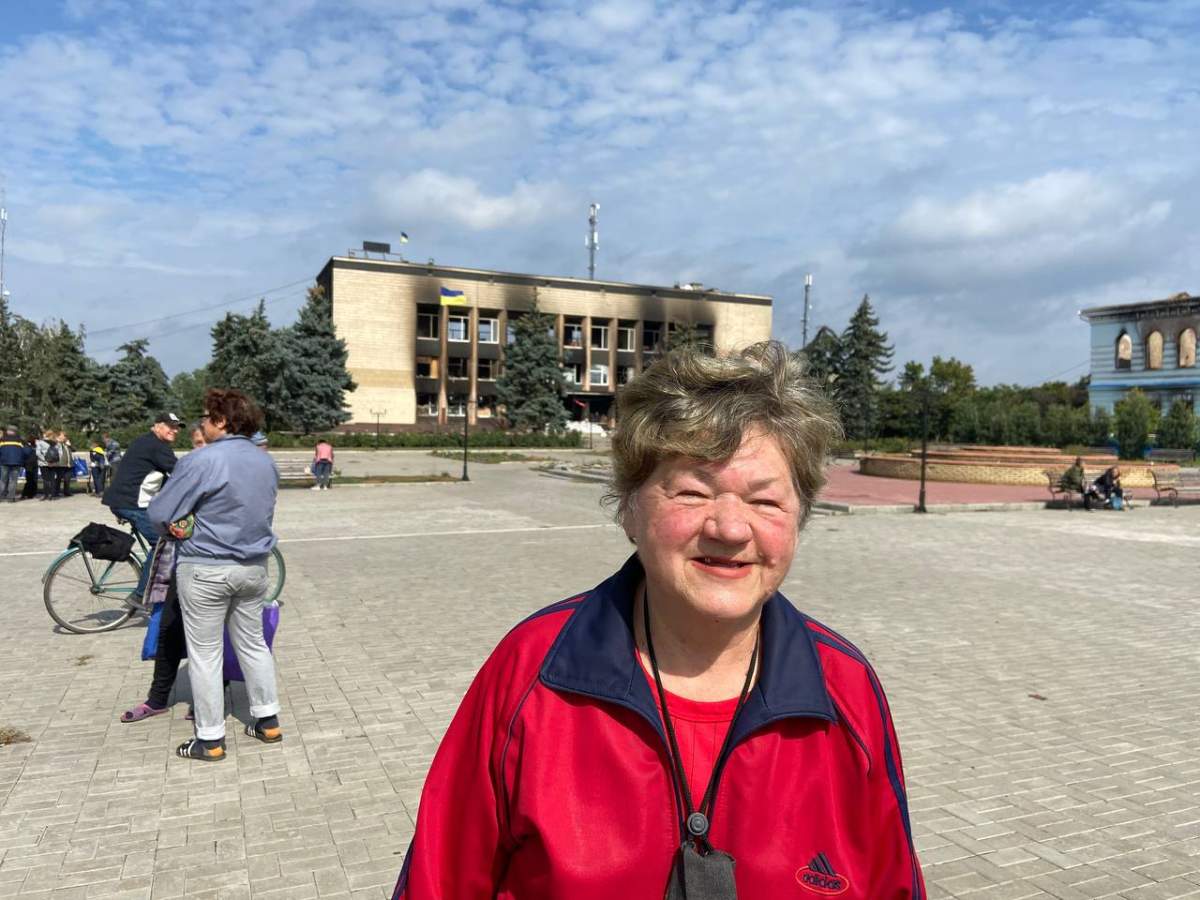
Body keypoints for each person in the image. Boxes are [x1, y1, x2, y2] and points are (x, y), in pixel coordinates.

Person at [390, 342, 924, 899]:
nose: (730, 528)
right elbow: (438, 882)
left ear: (799, 520)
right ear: (629, 507)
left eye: (766, 502)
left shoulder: (846, 690)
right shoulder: (531, 674)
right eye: (692, 492)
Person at [148, 389, 282, 762]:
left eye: (206, 417)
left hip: (206, 567)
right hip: (253, 566)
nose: (202, 423)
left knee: (205, 653)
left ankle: (210, 739)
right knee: (253, 644)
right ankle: (267, 720)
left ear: (222, 421)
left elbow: (160, 512)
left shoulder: (202, 460)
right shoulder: (265, 463)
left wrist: (176, 530)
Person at [120, 423, 209, 725]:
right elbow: (166, 514)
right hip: (177, 564)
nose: (199, 449)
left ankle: (206, 700)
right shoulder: (186, 474)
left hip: (209, 566)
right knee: (168, 630)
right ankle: (157, 699)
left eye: (204, 443)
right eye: (196, 443)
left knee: (210, 637)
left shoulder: (219, 476)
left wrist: (177, 520)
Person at [102, 413, 182, 601]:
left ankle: (161, 585)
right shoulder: (156, 446)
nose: (175, 430)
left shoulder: (148, 442)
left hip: (125, 501)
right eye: (170, 426)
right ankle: (140, 594)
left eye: (177, 427)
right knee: (163, 543)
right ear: (157, 425)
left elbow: (164, 478)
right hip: (131, 504)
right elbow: (181, 472)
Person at [0, 426, 24, 502]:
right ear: (15, 432)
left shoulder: (2, 439)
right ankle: (11, 498)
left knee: (3, 480)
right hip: (16, 462)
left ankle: (1, 496)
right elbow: (24, 451)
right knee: (13, 480)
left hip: (4, 462)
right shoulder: (20, 440)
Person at [36, 430, 61, 501]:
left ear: (46, 435)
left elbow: (38, 453)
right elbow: (60, 453)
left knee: (45, 479)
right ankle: (52, 495)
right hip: (54, 464)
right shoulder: (57, 443)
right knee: (52, 479)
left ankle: (45, 495)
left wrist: (46, 461)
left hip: (43, 464)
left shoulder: (40, 442)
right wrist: (54, 462)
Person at [20, 434, 39, 500]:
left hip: (35, 464)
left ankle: (32, 493)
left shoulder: (36, 446)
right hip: (29, 465)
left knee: (34, 480)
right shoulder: (27, 446)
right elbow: (26, 453)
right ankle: (25, 494)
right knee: (29, 480)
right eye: (35, 439)